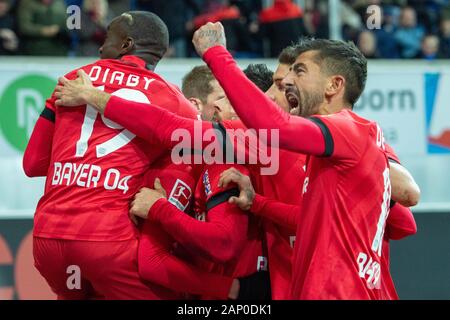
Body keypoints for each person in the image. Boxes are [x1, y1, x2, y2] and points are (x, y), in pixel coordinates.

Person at [23, 11, 198, 299]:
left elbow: (33, 164)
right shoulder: (172, 98)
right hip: (108, 242)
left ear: (127, 44)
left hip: (48, 239)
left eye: (107, 39)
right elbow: (206, 144)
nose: (101, 48)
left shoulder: (72, 81)